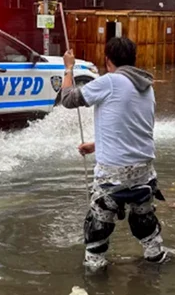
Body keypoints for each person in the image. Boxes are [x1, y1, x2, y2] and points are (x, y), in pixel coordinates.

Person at [60, 37, 167, 270]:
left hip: (113, 174)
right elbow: (133, 128)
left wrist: (68, 67)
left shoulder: (110, 81)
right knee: (145, 224)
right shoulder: (146, 86)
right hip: (144, 173)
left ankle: (96, 279)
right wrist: (97, 144)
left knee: (98, 228)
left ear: (108, 60)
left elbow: (67, 99)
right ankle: (156, 261)